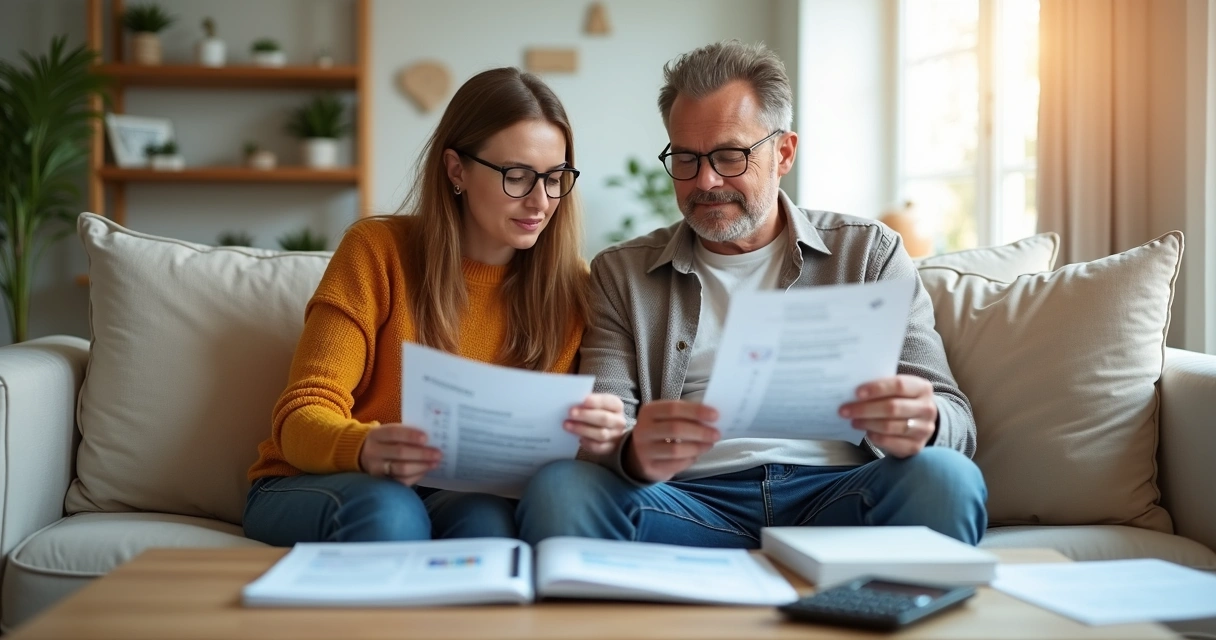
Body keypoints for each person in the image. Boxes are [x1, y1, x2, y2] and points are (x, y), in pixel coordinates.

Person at [517, 41, 987, 548]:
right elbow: (603, 430)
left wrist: (924, 423)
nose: (706, 180)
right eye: (686, 158)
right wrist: (631, 452)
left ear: (783, 153)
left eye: (729, 156)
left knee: (948, 479)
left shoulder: (869, 252)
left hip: (843, 493)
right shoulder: (622, 273)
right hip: (690, 503)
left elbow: (955, 420)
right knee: (561, 490)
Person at [244, 67, 626, 545]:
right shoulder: (376, 251)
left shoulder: (571, 288)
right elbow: (301, 412)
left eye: (555, 178)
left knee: (489, 526)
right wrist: (364, 447)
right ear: (456, 169)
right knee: (390, 511)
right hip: (321, 481)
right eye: (517, 176)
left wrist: (602, 437)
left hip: (452, 492)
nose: (541, 201)